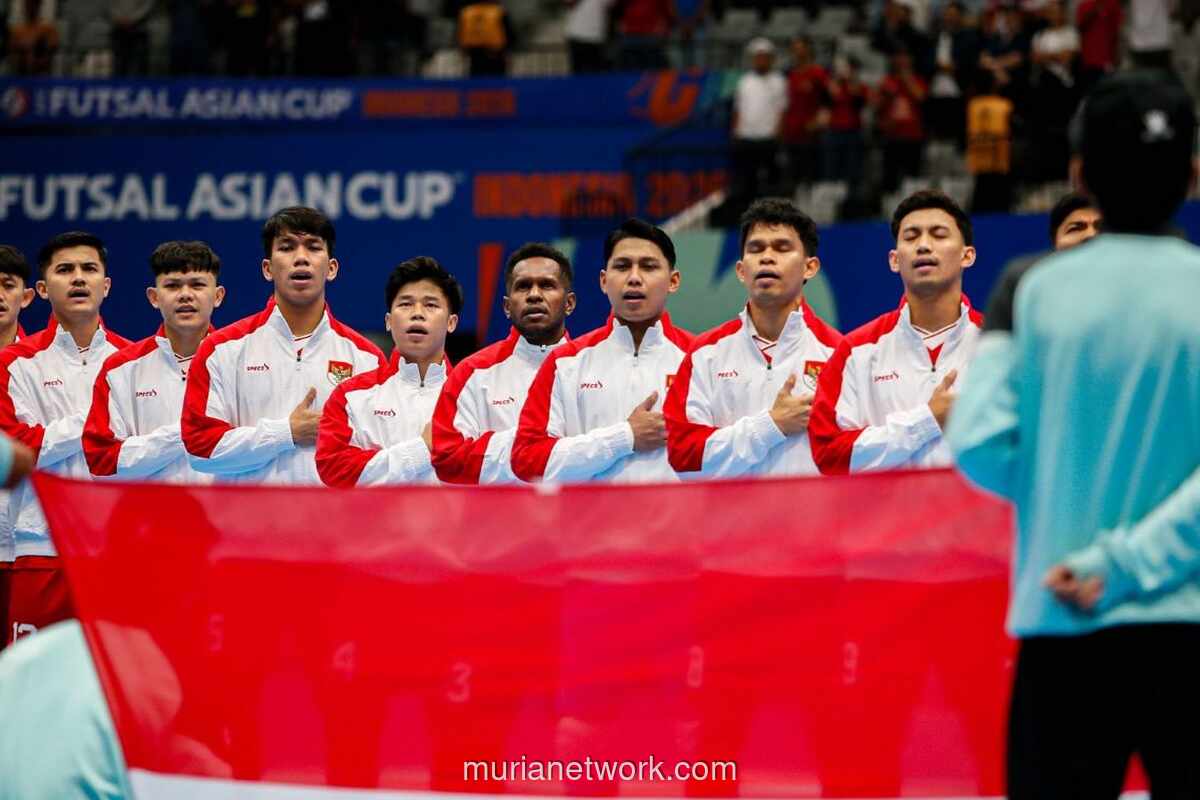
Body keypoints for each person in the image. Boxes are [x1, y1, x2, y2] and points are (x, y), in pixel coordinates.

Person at [948, 70, 1200, 799]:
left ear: (1079, 172)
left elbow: (977, 441)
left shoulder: (1028, 288)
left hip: (1064, 626)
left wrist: (1083, 525)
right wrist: (1128, 561)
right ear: (1190, 173)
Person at [182, 207, 385, 485]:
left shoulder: (367, 359)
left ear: (332, 268)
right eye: (287, 247)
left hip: (332, 525)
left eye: (313, 247)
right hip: (243, 527)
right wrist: (285, 434)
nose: (301, 258)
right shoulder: (221, 350)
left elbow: (380, 460)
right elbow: (199, 451)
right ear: (267, 268)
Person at [0, 231, 132, 646]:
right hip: (40, 548)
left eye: (89, 269)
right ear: (41, 289)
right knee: (29, 688)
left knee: (115, 688)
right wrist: (97, 421)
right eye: (65, 270)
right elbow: (20, 450)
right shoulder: (13, 363)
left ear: (106, 285)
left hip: (116, 552)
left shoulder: (135, 361)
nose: (78, 279)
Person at [664, 198, 841, 478]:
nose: (767, 257)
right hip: (731, 521)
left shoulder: (838, 353)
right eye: (756, 249)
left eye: (782, 248)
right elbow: (684, 457)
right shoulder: (705, 354)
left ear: (810, 267)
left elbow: (850, 460)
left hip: (813, 520)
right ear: (741, 271)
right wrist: (771, 426)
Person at [809, 189, 982, 474]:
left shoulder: (998, 344)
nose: (924, 245)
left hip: (979, 517)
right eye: (911, 237)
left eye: (939, 235)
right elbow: (829, 454)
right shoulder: (856, 351)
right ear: (894, 259)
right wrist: (926, 420)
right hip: (887, 519)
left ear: (968, 255)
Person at [512, 218, 693, 484]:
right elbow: (527, 459)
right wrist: (625, 437)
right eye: (622, 266)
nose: (634, 278)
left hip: (681, 525)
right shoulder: (565, 362)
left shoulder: (700, 358)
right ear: (604, 281)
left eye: (648, 266)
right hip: (592, 525)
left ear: (673, 280)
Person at [432, 242, 575, 484]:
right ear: (507, 307)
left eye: (547, 285)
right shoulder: (472, 373)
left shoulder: (592, 368)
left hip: (582, 518)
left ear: (569, 303)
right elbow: (448, 461)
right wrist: (529, 444)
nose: (534, 295)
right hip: (501, 520)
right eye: (523, 286)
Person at [83, 242, 226, 484]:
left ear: (218, 296)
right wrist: (185, 433)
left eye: (198, 285)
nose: (185, 295)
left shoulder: (237, 361)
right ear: (154, 297)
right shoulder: (119, 369)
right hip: (146, 518)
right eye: (172, 286)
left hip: (225, 518)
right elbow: (101, 462)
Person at [315, 257, 460, 487]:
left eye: (431, 305)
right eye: (405, 304)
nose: (417, 313)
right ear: (388, 321)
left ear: (451, 323)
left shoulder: (472, 397)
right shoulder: (351, 396)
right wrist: (421, 449)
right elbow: (334, 471)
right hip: (376, 523)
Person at [981, 192, 1101, 336]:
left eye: (1101, 227)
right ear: (1054, 244)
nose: (1090, 235)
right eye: (1075, 228)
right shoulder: (1021, 286)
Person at [730, 38, 788, 208]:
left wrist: (778, 133)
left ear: (771, 59)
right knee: (746, 181)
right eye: (758, 57)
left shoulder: (779, 81)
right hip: (746, 138)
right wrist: (736, 132)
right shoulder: (745, 81)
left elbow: (782, 109)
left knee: (771, 182)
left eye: (764, 57)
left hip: (768, 138)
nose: (761, 60)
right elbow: (738, 109)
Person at [876, 50, 929, 193]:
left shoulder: (918, 80)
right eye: (899, 56)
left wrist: (907, 80)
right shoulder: (887, 81)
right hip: (893, 137)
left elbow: (921, 97)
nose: (902, 60)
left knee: (913, 177)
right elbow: (877, 105)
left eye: (905, 56)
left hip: (913, 136)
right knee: (890, 177)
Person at [782, 37, 829, 189]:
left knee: (810, 175)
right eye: (794, 48)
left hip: (810, 134)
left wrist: (818, 122)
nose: (797, 52)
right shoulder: (788, 74)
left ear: (808, 50)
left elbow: (828, 102)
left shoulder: (818, 73)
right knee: (791, 175)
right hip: (791, 132)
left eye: (801, 48)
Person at [457, 0, 514, 76]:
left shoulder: (466, 11)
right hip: (492, 55)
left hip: (477, 55)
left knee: (477, 81)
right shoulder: (498, 11)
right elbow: (509, 34)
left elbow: (460, 34)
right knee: (496, 82)